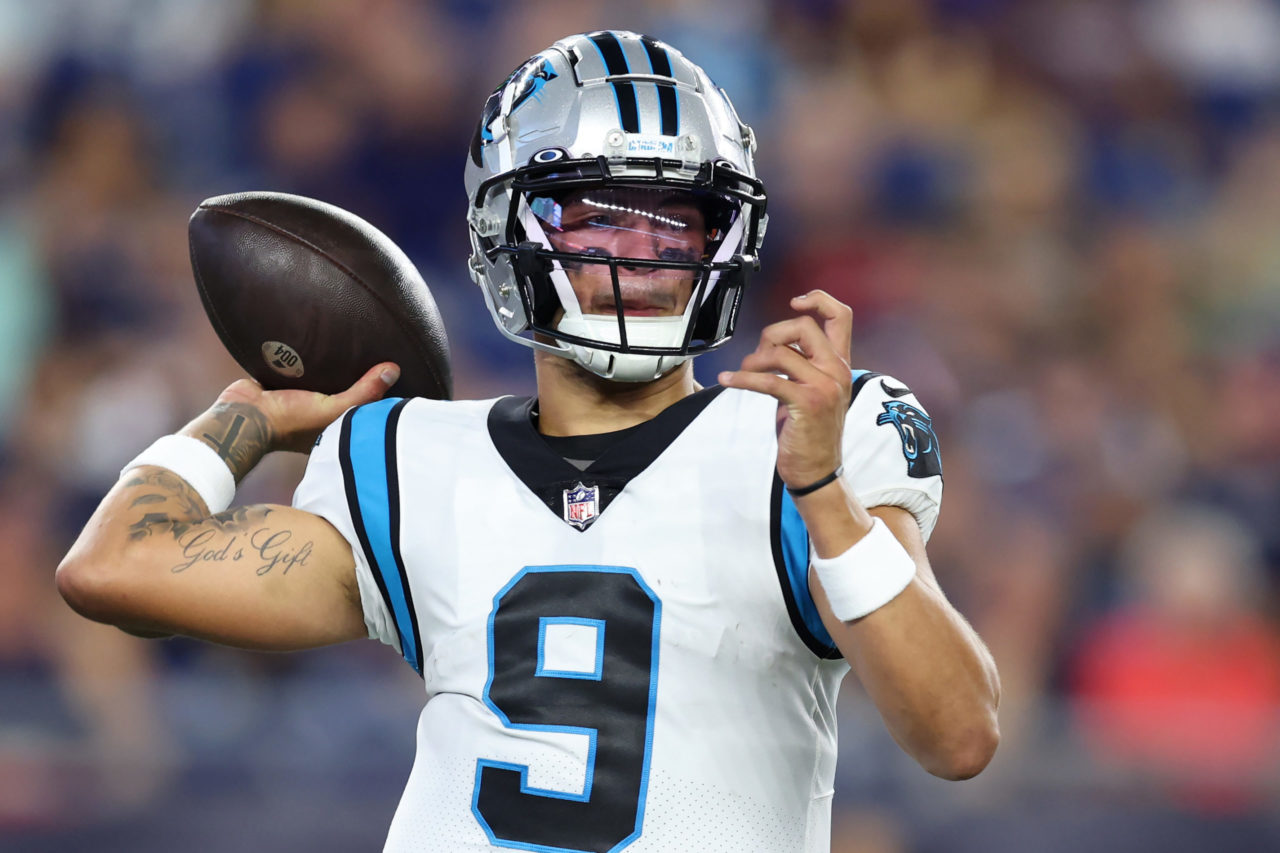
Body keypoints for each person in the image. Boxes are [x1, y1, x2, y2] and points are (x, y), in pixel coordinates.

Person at [57, 30, 999, 853]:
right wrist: (248, 418)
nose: (640, 259)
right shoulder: (409, 457)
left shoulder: (804, 442)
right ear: (509, 232)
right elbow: (112, 569)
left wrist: (825, 493)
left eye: (675, 228)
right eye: (598, 220)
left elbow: (960, 736)